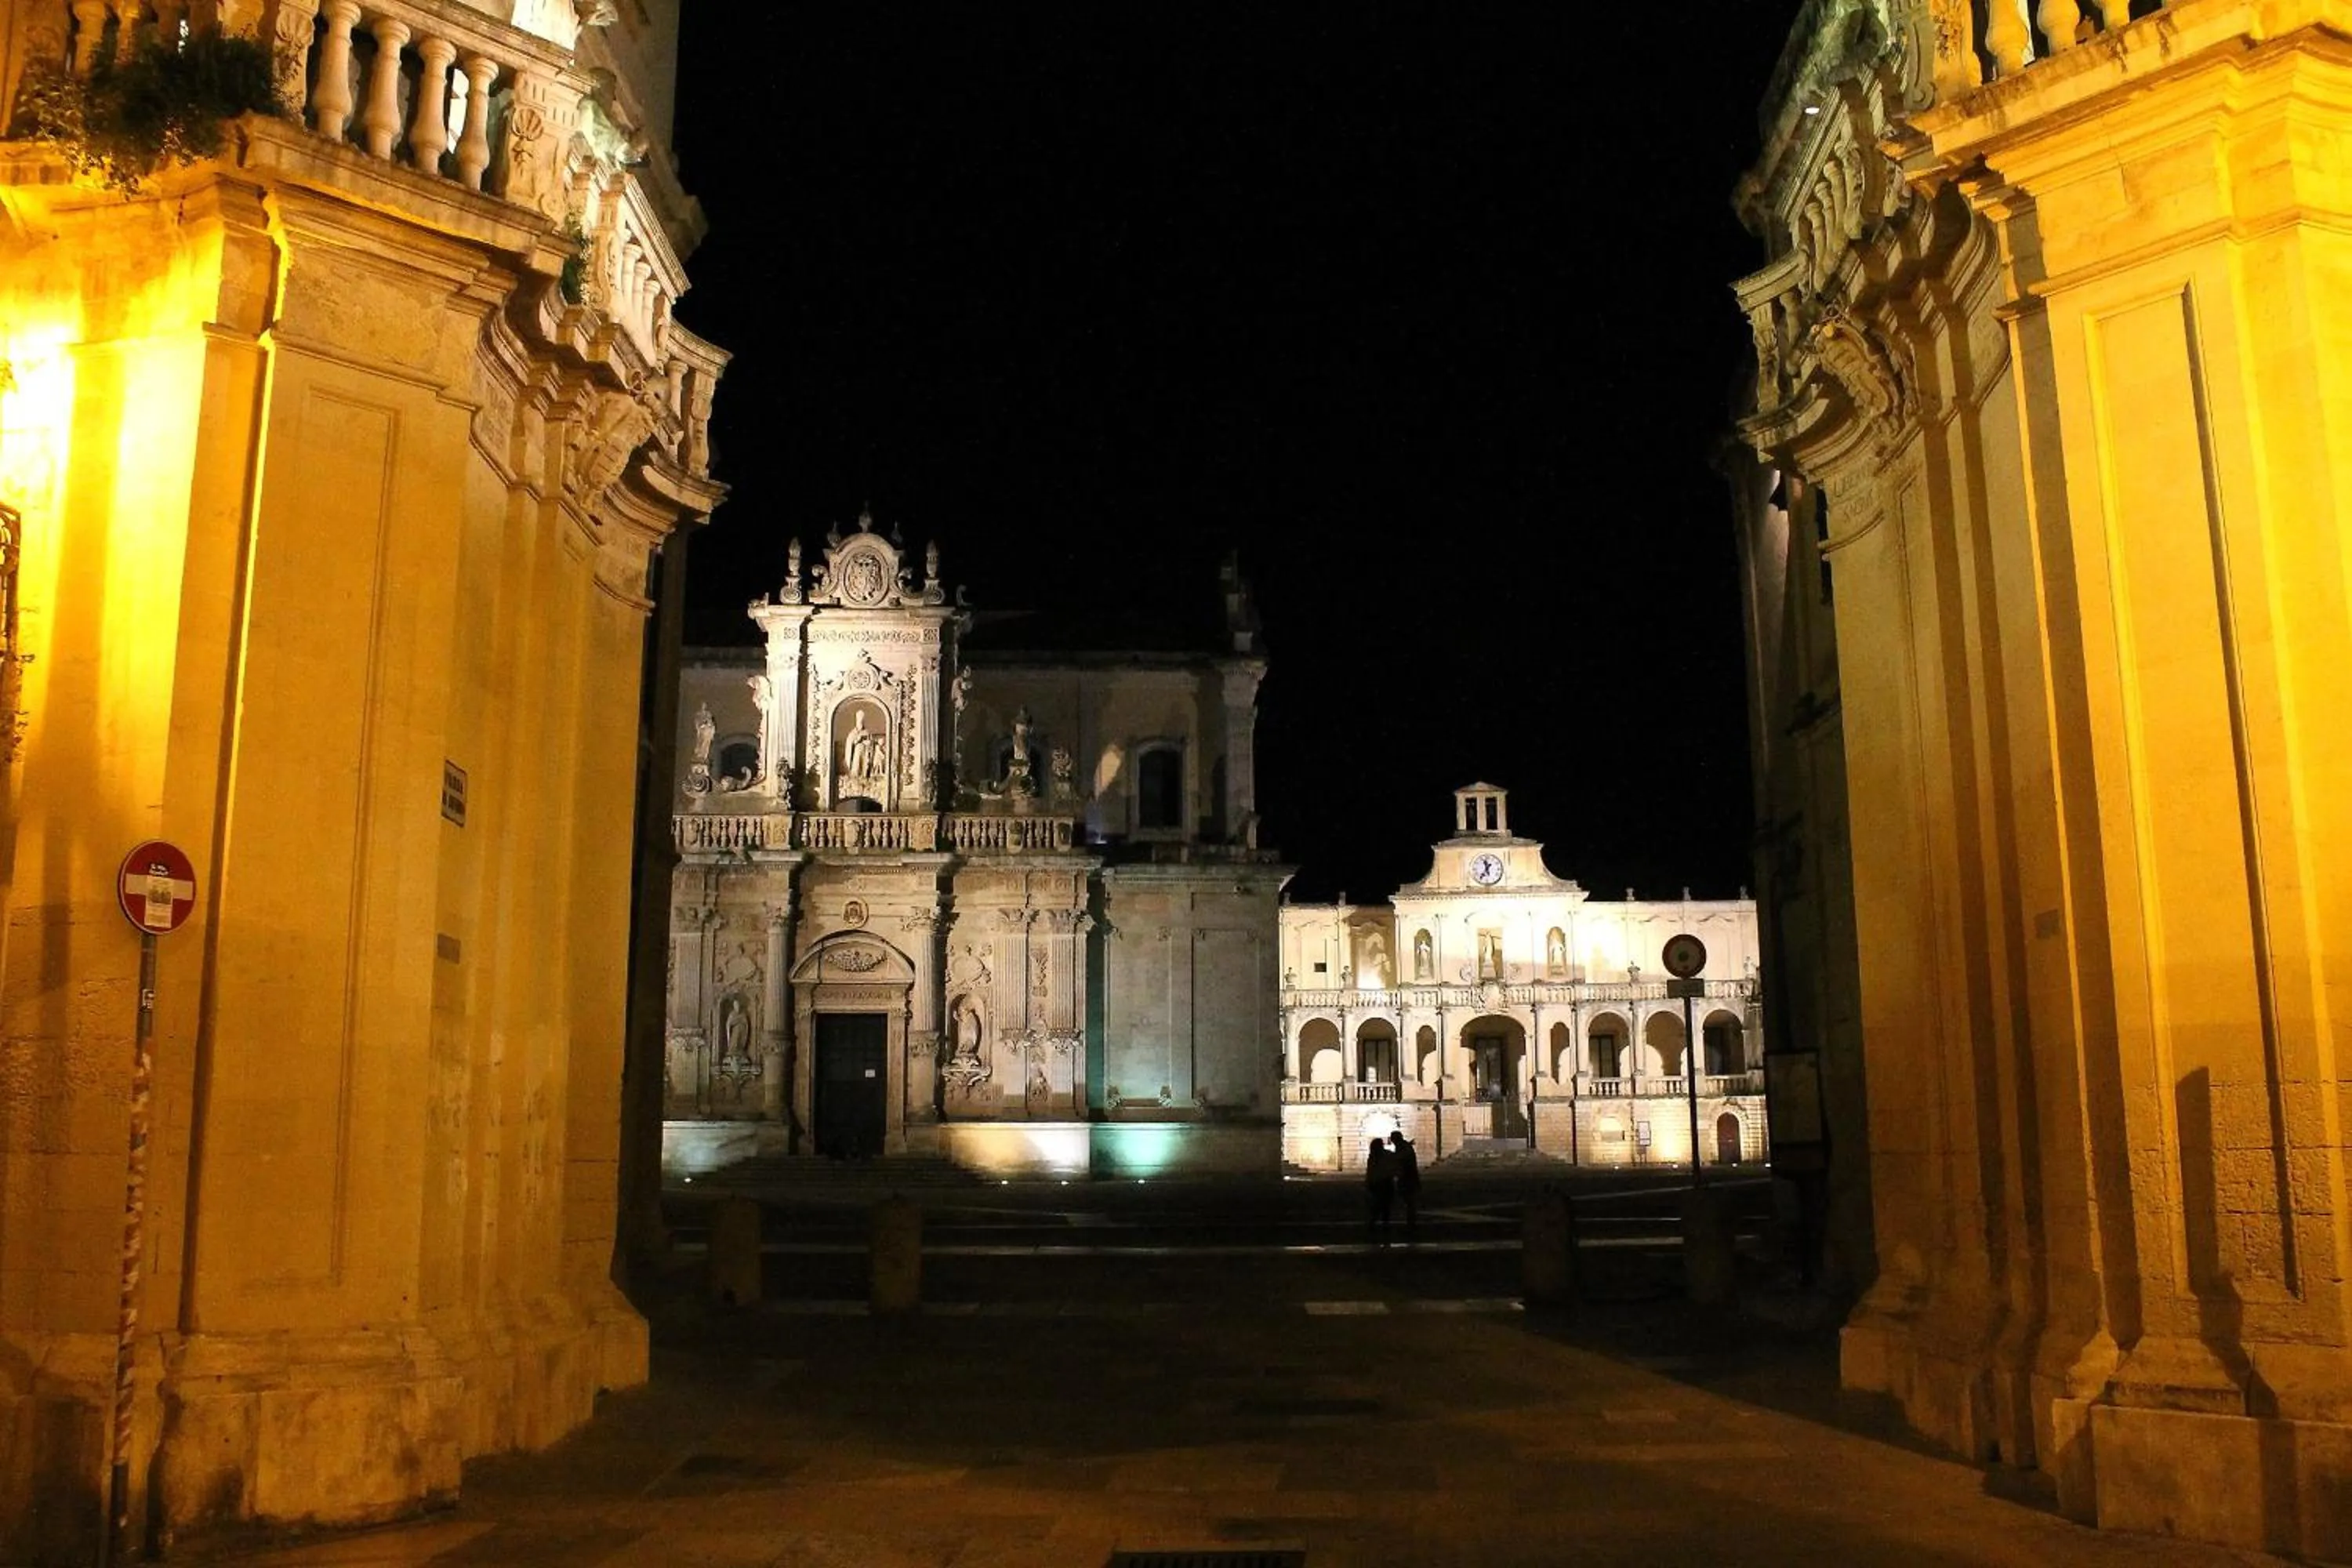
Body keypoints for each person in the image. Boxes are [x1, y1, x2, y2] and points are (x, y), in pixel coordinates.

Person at [1388, 1129, 1421, 1243]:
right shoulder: (1404, 1146)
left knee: (1409, 1202)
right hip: (1409, 1178)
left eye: (1392, 1139)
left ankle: (1411, 1224)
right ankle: (1411, 1223)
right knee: (1409, 1202)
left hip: (1408, 1179)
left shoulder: (1402, 1147)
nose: (1392, 1141)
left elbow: (1400, 1160)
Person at [1364, 1138, 1396, 1247]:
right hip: (1386, 1183)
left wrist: (1368, 1183)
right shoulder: (1388, 1155)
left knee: (1377, 1207)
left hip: (1378, 1184)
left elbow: (1370, 1172)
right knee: (1385, 1208)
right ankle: (1384, 1227)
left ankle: (1373, 1226)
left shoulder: (1373, 1157)